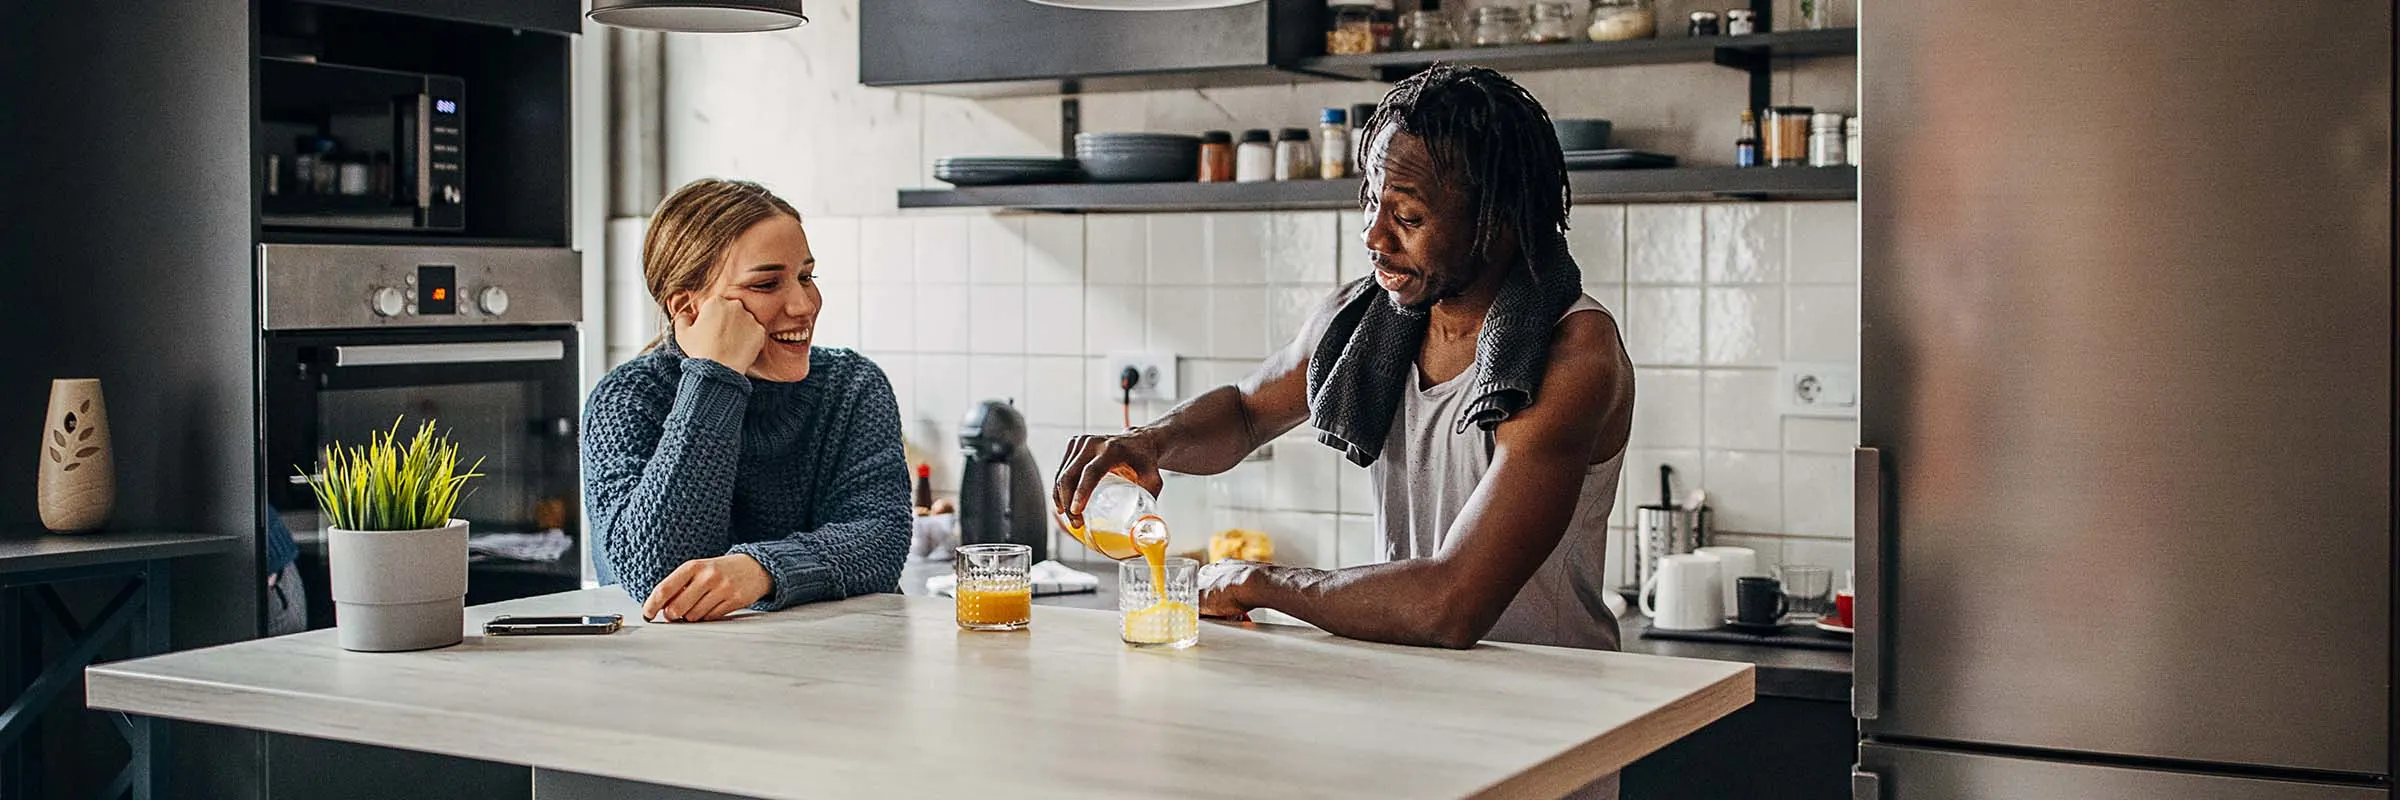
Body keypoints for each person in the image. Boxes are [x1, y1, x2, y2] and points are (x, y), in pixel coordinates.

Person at [1053, 66, 1634, 654]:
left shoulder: (1574, 353)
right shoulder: (1365, 319)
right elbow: (1247, 412)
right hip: (1423, 692)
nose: (1374, 236)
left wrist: (1260, 583)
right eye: (1372, 203)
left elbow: (1451, 605)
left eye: (1408, 217)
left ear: (1499, 218)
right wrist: (1149, 442)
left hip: (1563, 705)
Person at [583, 178, 910, 623]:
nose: (803, 304)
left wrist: (762, 570)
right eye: (767, 284)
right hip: (673, 682)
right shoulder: (626, 400)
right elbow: (658, 575)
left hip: (839, 671)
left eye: (805, 277)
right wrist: (716, 377)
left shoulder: (852, 386)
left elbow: (881, 538)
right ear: (688, 309)